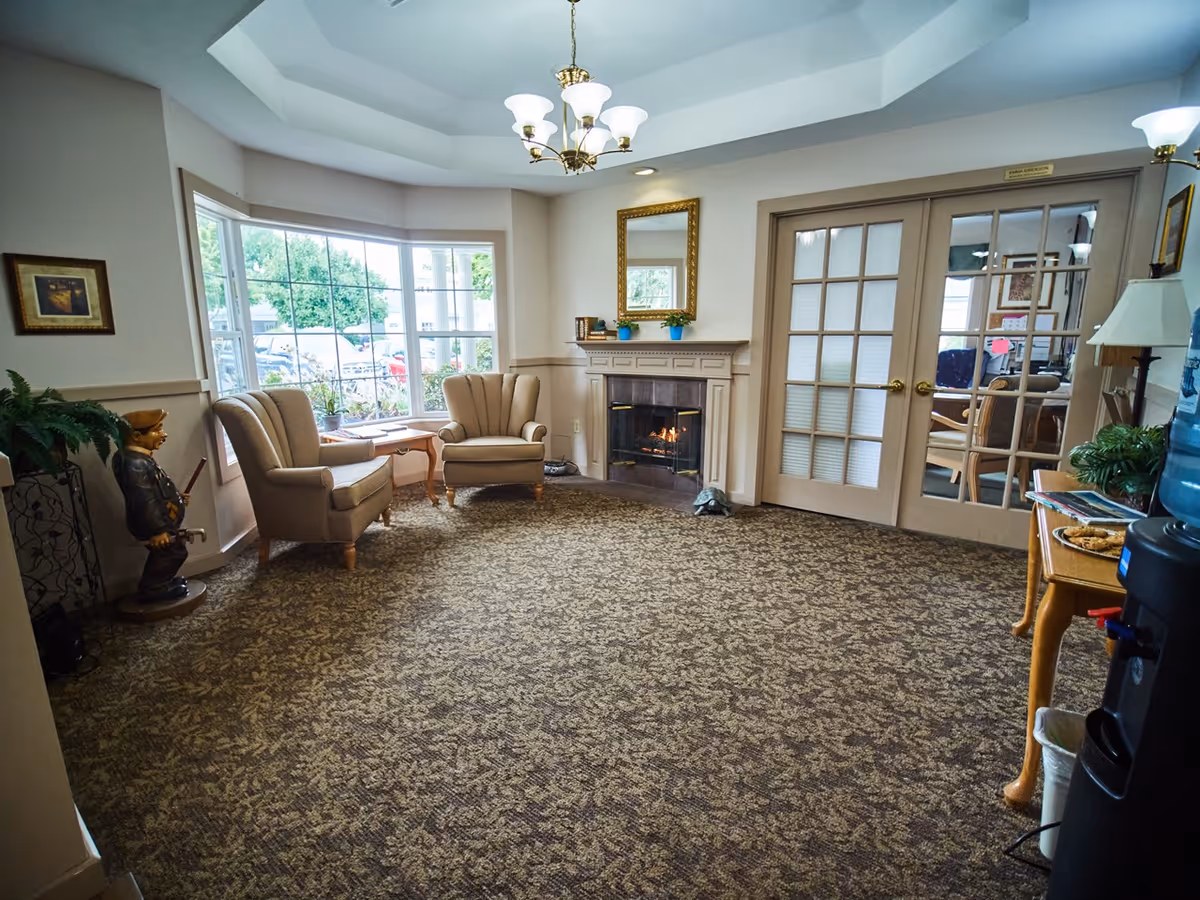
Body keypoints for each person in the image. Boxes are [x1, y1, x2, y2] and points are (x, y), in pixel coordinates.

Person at [111, 409, 191, 603]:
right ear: (137, 436)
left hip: (162, 520)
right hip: (154, 524)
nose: (164, 435)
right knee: (172, 552)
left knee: (169, 553)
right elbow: (143, 498)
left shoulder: (140, 459)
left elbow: (155, 489)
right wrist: (158, 530)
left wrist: (177, 499)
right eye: (157, 430)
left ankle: (163, 582)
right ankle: (153, 588)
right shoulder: (134, 463)